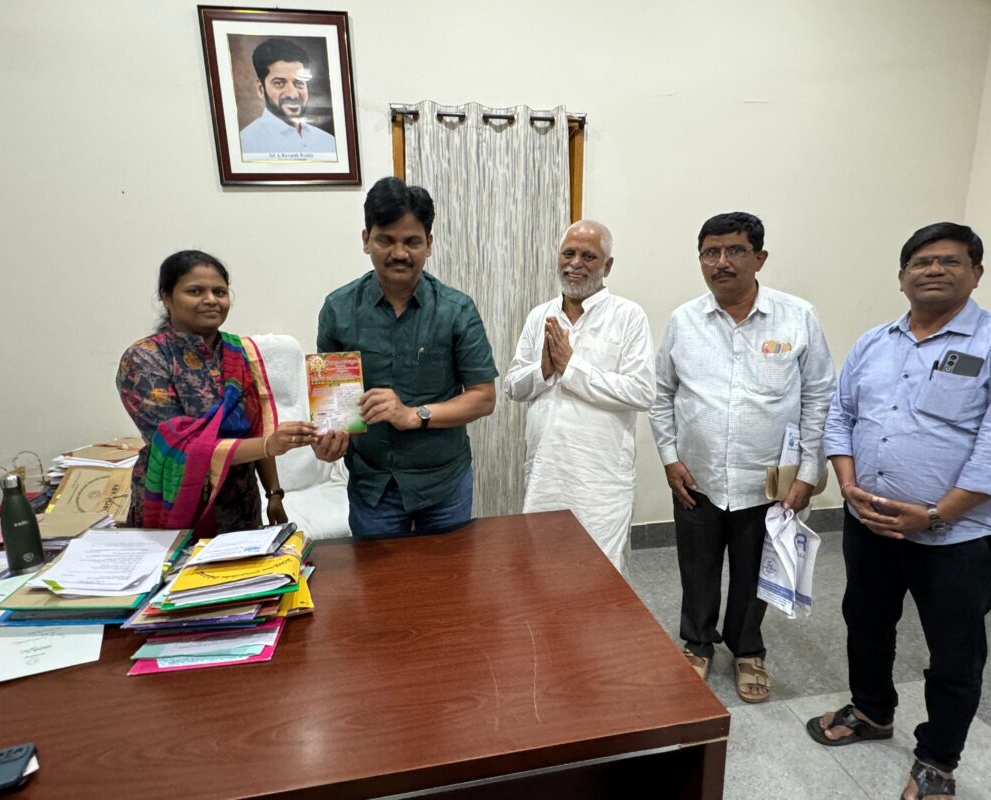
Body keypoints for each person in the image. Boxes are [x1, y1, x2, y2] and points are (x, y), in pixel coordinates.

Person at [807, 222, 991, 800]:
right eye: (920, 262)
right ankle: (871, 710)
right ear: (902, 277)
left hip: (958, 536)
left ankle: (938, 759)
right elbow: (840, 416)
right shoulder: (874, 343)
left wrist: (936, 515)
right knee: (866, 624)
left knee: (954, 653)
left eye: (950, 260)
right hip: (871, 524)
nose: (934, 270)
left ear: (976, 273)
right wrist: (848, 484)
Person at [650, 212, 834, 703]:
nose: (722, 262)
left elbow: (820, 397)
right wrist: (669, 458)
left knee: (757, 571)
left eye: (735, 250)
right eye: (711, 252)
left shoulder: (798, 317)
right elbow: (661, 394)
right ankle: (697, 642)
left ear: (760, 258)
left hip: (769, 480)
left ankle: (748, 649)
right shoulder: (684, 321)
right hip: (698, 477)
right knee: (698, 569)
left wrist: (809, 473)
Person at [313, 177, 498, 538]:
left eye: (412, 241)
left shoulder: (457, 310)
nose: (399, 253)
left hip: (443, 481)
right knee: (377, 575)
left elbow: (483, 398)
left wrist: (413, 415)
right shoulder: (337, 309)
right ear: (366, 240)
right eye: (386, 240)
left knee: (449, 571)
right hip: (373, 483)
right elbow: (335, 410)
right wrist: (328, 442)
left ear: (428, 244)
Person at [117, 250, 316, 534]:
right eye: (195, 291)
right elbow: (180, 446)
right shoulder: (145, 358)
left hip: (241, 506)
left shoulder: (239, 352)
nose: (211, 300)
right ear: (166, 297)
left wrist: (273, 493)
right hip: (175, 505)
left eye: (219, 292)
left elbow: (256, 428)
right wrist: (267, 445)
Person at [503, 219, 653, 572]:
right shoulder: (540, 316)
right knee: (542, 571)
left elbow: (642, 391)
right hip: (545, 474)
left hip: (600, 480)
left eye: (588, 256)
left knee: (599, 575)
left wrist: (572, 368)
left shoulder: (628, 316)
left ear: (607, 266)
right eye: (568, 253)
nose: (575, 263)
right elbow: (512, 386)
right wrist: (543, 370)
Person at [238, 38, 338, 160]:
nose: (293, 95)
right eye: (279, 83)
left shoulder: (329, 142)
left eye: (299, 82)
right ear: (260, 89)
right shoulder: (246, 145)